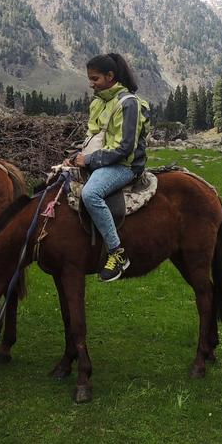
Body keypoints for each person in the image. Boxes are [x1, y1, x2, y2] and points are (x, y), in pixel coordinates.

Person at [64, 53, 150, 282]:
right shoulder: (98, 102)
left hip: (125, 166)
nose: (91, 84)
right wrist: (75, 157)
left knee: (91, 194)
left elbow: (125, 149)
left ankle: (117, 252)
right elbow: (93, 137)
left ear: (110, 76)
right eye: (89, 79)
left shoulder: (129, 103)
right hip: (102, 160)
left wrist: (89, 161)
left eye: (95, 79)